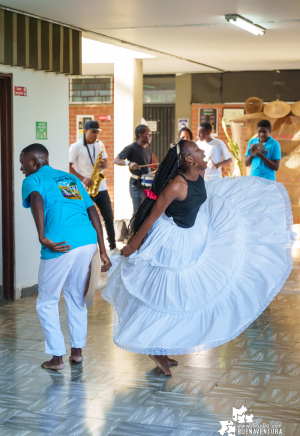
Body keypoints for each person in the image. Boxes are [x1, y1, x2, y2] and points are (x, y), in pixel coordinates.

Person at [102, 138, 293, 376]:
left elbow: (200, 202)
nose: (203, 152)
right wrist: (132, 245)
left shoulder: (199, 177)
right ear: (189, 159)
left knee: (182, 297)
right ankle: (152, 346)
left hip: (192, 235)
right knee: (164, 297)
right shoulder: (176, 186)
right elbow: (151, 217)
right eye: (197, 150)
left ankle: (160, 344)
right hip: (169, 242)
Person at [20, 143, 111, 371]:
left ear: (34, 162)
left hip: (60, 242)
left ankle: (57, 358)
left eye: (23, 163)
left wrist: (42, 236)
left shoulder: (33, 180)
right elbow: (92, 211)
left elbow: (36, 199)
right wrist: (102, 248)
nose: (22, 168)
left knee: (47, 301)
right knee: (76, 296)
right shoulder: (70, 179)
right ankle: (77, 352)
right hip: (86, 240)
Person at [69, 120, 118, 257]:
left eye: (97, 132)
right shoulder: (76, 146)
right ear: (85, 131)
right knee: (86, 218)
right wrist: (82, 178)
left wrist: (104, 165)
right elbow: (68, 167)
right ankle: (88, 248)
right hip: (85, 188)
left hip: (100, 187)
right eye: (93, 131)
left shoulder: (100, 144)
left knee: (108, 217)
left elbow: (107, 163)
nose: (96, 134)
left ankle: (113, 247)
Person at [113, 125, 152, 214]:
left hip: (147, 184)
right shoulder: (131, 148)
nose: (150, 136)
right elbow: (116, 160)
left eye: (151, 134)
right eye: (148, 134)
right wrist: (129, 163)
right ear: (140, 135)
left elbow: (148, 167)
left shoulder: (148, 149)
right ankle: (134, 228)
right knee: (138, 212)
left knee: (147, 212)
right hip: (136, 184)